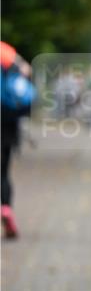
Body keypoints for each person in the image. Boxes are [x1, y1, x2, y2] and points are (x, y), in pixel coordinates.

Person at [1, 41, 32, 239]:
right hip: (7, 123)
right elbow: (26, 70)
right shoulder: (6, 52)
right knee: (3, 172)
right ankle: (5, 209)